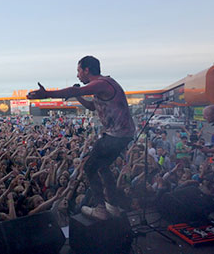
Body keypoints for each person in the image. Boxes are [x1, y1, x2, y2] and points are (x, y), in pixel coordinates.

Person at [27, 55, 135, 220]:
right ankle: (112, 205)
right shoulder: (103, 87)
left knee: (89, 167)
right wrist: (78, 98)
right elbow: (93, 106)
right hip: (123, 135)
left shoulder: (102, 83)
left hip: (115, 135)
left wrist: (46, 93)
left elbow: (74, 89)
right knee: (103, 167)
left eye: (79, 71)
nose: (78, 75)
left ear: (87, 70)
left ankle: (100, 208)